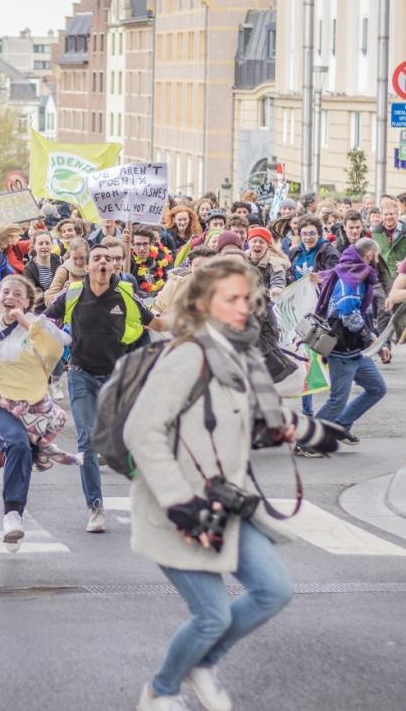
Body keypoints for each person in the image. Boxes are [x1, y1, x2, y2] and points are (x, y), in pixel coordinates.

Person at [127, 257, 298, 711]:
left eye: (247, 299)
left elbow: (223, 423)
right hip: (179, 509)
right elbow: (141, 431)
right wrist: (179, 502)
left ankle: (203, 663)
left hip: (225, 504)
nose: (244, 307)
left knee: (274, 590)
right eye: (232, 299)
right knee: (212, 617)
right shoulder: (185, 355)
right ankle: (160, 691)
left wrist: (267, 430)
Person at [45, 242, 166, 532]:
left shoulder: (126, 295)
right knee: (86, 440)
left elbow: (158, 325)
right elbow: (44, 321)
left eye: (108, 259)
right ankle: (95, 507)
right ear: (86, 266)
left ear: (115, 266)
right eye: (97, 258)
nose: (102, 263)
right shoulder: (72, 293)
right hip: (80, 374)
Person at [0, 275, 80, 547]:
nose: (10, 297)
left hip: (35, 409)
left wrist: (26, 322)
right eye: (5, 292)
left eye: (17, 294)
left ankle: (15, 501)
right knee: (17, 444)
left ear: (28, 302)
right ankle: (12, 514)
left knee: (22, 451)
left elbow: (57, 348)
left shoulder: (40, 327)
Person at [309, 239, 388, 452]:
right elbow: (348, 313)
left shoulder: (350, 271)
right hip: (342, 349)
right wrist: (370, 338)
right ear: (369, 255)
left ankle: (340, 425)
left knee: (376, 388)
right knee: (337, 401)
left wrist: (372, 338)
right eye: (376, 256)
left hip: (354, 350)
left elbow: (357, 313)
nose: (377, 260)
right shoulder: (352, 277)